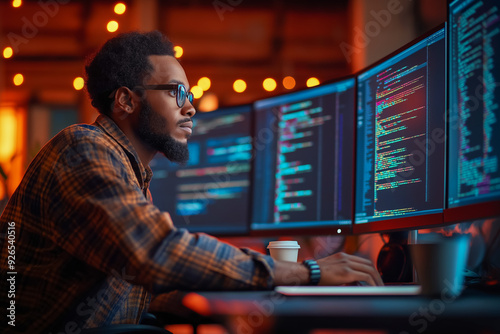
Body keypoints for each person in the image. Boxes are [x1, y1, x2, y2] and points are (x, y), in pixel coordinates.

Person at [0, 30, 383, 333]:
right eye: (177, 92)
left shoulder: (130, 174)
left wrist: (231, 280)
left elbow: (139, 279)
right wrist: (308, 273)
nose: (191, 106)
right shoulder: (83, 148)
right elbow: (156, 252)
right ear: (126, 101)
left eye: (191, 93)